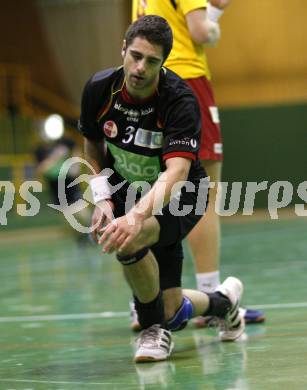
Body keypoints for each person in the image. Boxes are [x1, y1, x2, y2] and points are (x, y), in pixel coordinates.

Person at [78, 15, 245, 362]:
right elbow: (92, 146)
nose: (140, 67)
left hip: (181, 196)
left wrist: (136, 216)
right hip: (128, 188)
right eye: (135, 56)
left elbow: (178, 170)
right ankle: (225, 303)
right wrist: (103, 199)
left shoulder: (179, 100)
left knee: (128, 237)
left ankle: (155, 333)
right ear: (123, 48)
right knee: (171, 307)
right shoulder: (99, 89)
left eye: (152, 61)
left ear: (164, 62)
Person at [131, 0, 265, 327]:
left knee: (154, 190)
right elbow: (201, 32)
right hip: (186, 80)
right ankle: (212, 298)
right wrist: (215, 21)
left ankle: (145, 303)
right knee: (204, 194)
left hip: (147, 82)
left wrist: (213, 9)